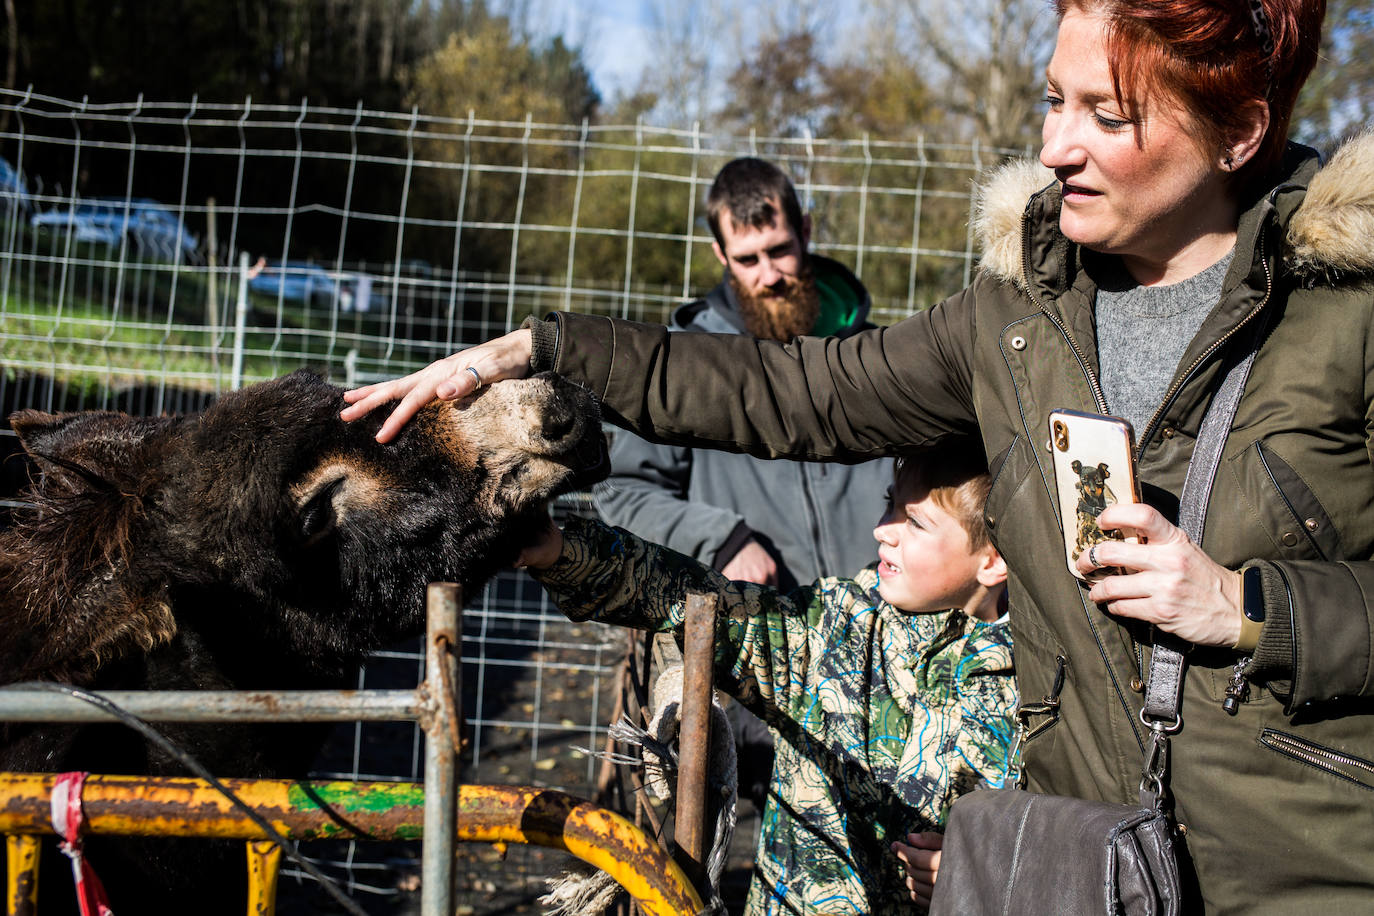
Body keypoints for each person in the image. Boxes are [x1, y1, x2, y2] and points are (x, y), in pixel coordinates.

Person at [341, 0, 1374, 909]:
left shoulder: (1350, 315)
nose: (1056, 146)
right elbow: (797, 389)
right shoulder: (1017, 316)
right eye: (1053, 100)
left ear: (1239, 130)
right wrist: (544, 352)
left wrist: (1247, 606)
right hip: (1080, 865)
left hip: (1295, 871)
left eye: (1107, 115)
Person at [516, 439, 1014, 915]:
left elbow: (1049, 838)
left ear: (992, 559)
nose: (884, 529)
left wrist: (983, 875)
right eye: (890, 504)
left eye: (916, 522)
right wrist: (562, 552)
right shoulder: (833, 629)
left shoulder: (1035, 682)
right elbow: (699, 601)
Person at [594, 156, 892, 816]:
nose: (769, 275)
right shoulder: (682, 366)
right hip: (760, 659)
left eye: (780, 251)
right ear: (720, 255)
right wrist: (721, 539)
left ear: (806, 232)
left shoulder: (870, 354)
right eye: (748, 258)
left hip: (883, 650)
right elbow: (621, 496)